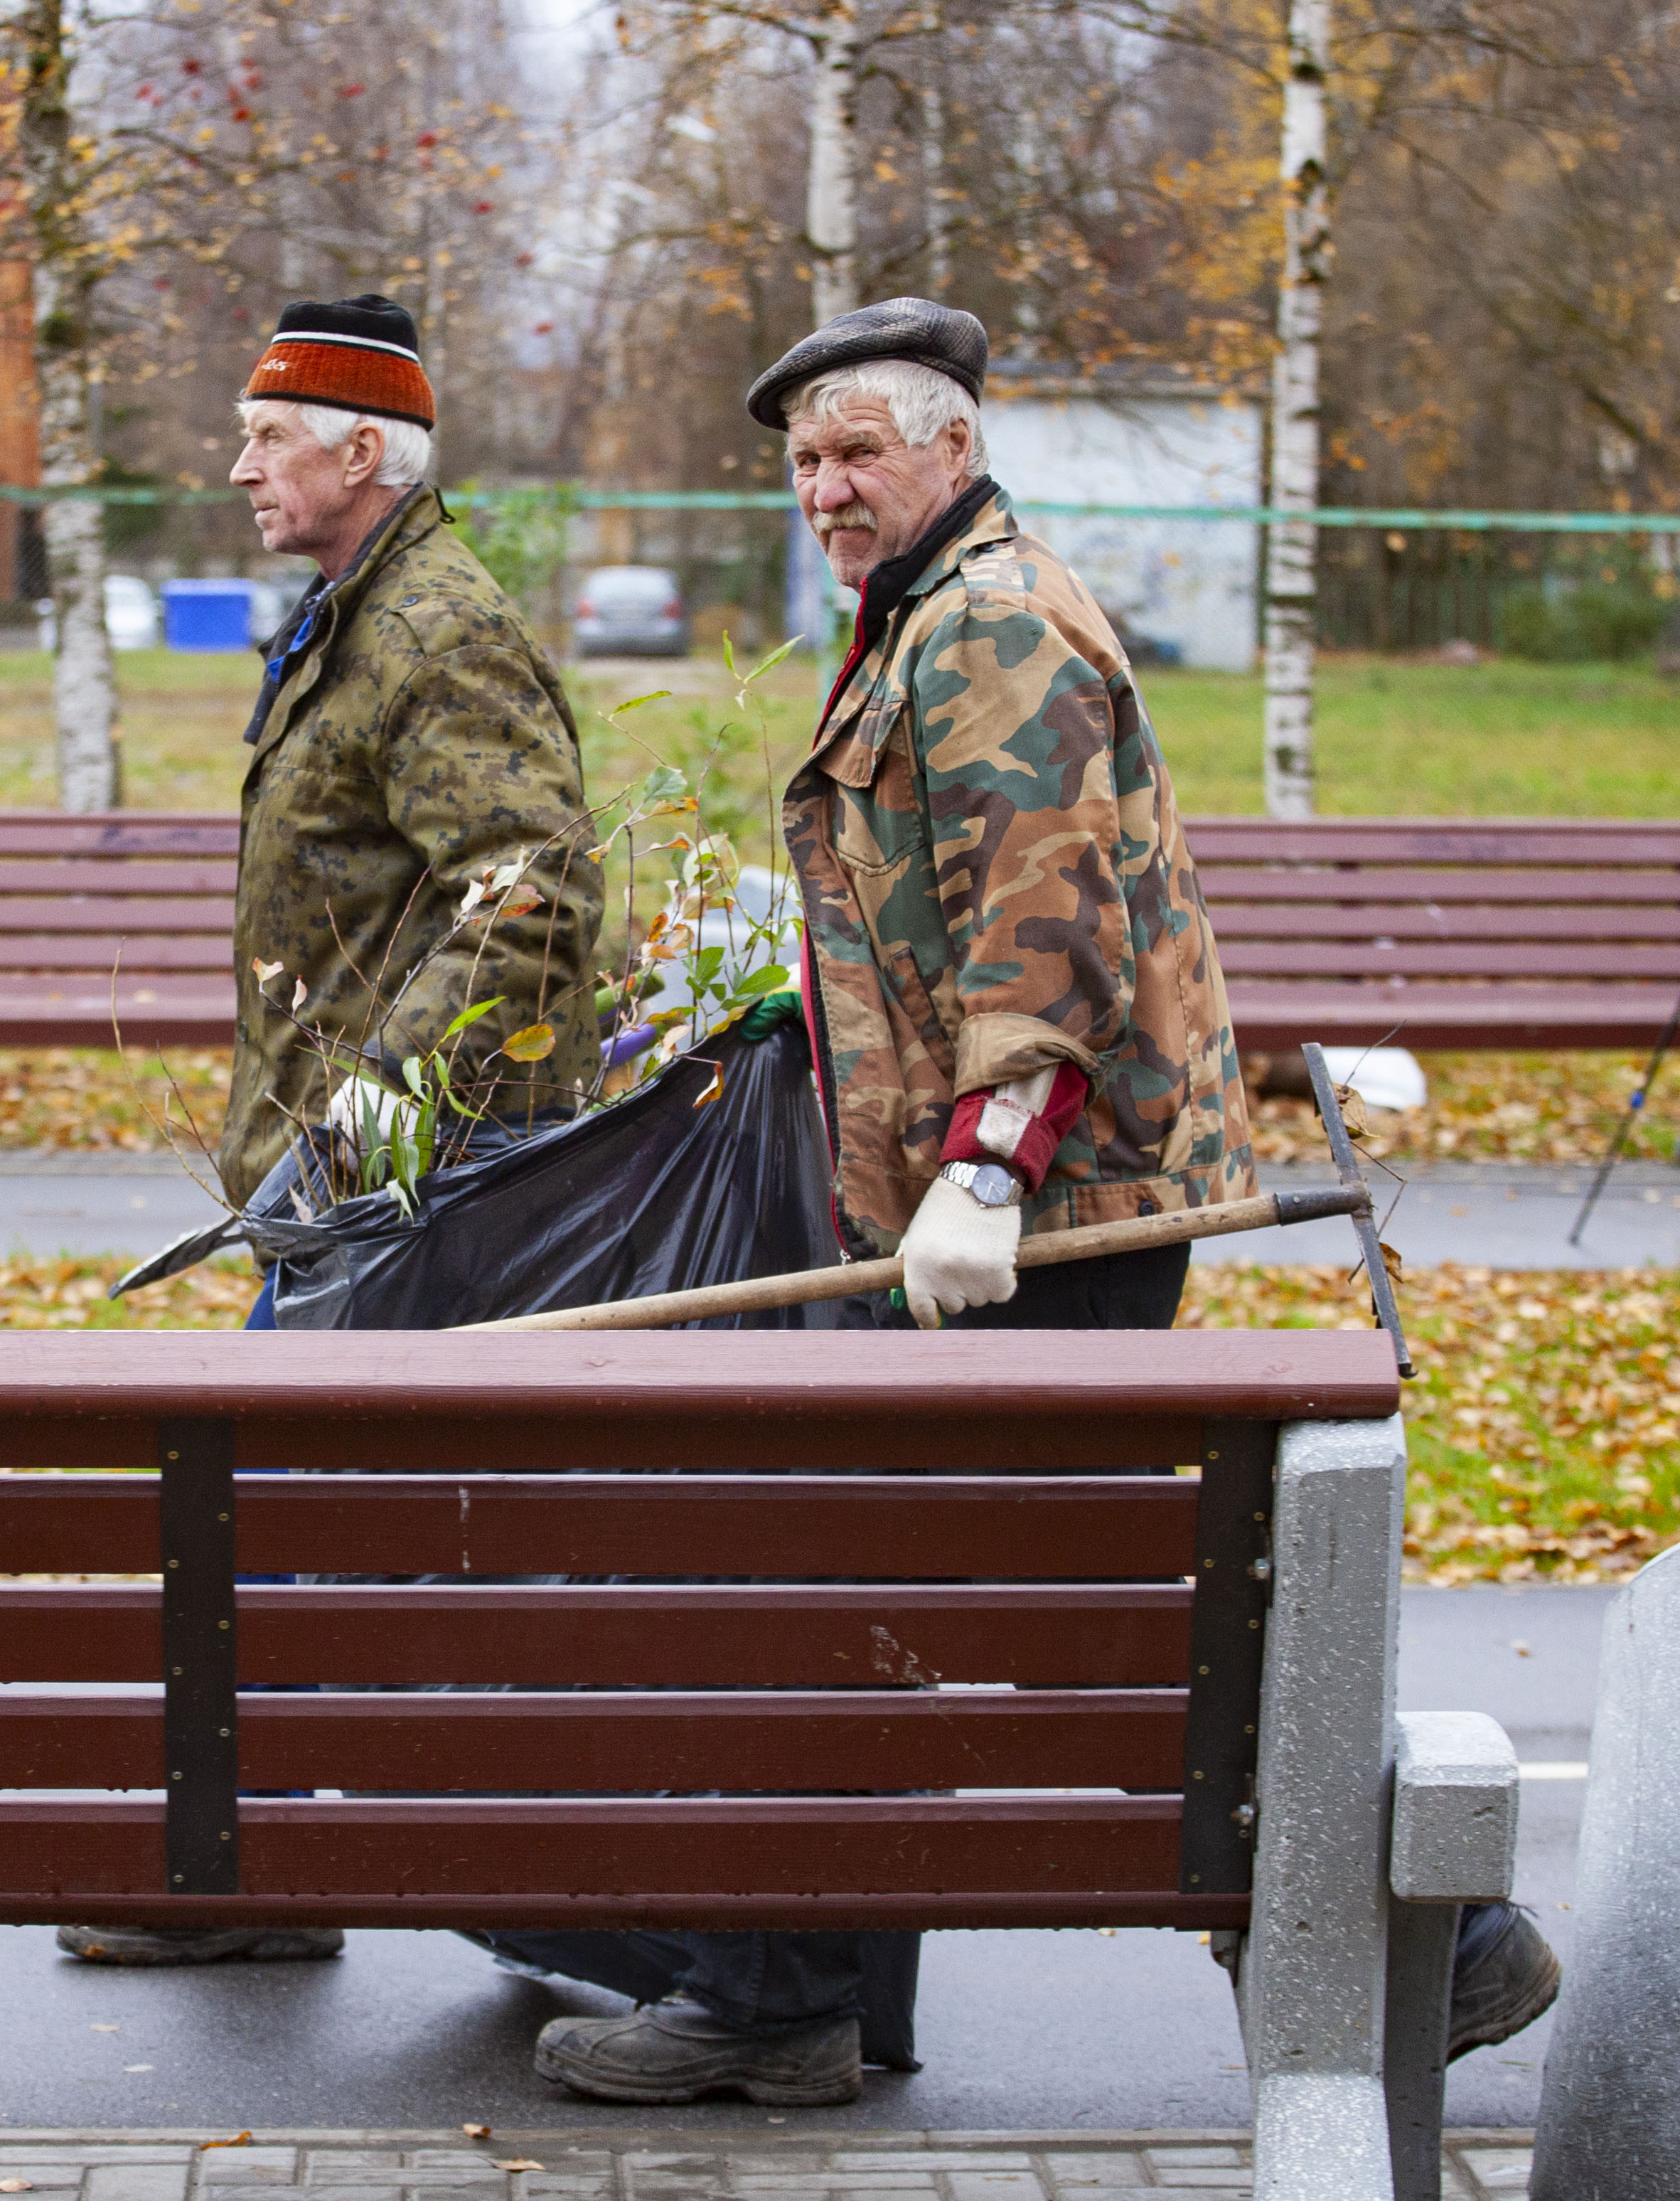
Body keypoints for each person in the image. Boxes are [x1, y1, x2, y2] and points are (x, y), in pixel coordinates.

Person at [510, 295, 1563, 2109]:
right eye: (804, 463)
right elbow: (933, 903)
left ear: (953, 449)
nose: (828, 488)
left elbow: (1047, 921)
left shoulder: (992, 619)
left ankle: (1437, 1938)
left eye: (858, 451)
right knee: (875, 1587)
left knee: (1026, 1604)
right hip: (957, 1212)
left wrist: (988, 1171)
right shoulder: (924, 614)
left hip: (1032, 1227)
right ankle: (783, 1988)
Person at [55, 292, 603, 1967]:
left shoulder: (433, 629)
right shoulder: (362, 613)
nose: (237, 467)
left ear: (364, 452)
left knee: (295, 1532)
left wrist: (374, 1116)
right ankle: (275, 1879)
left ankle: (275, 1885)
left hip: (399, 1187)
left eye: (268, 438)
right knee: (288, 1530)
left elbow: (536, 892)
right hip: (341, 1182)